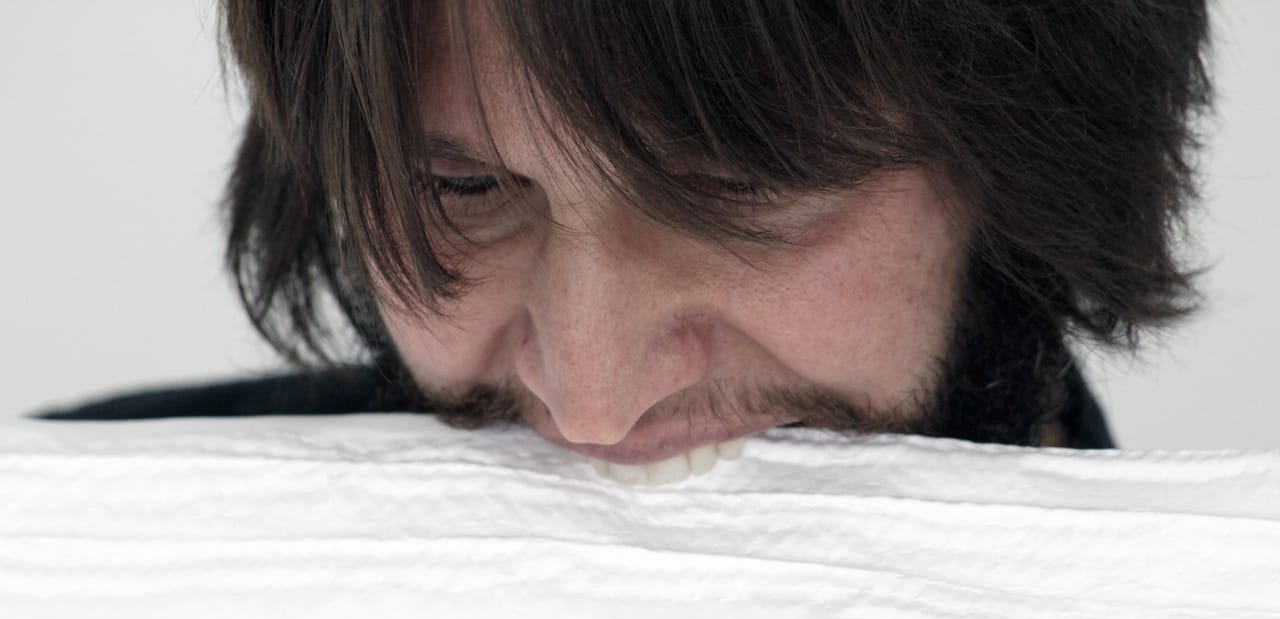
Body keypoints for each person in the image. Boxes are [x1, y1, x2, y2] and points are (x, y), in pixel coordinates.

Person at [41, 0, 1214, 480]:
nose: (593, 405)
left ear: (1031, 169)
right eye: (463, 188)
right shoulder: (63, 570)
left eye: (740, 191)